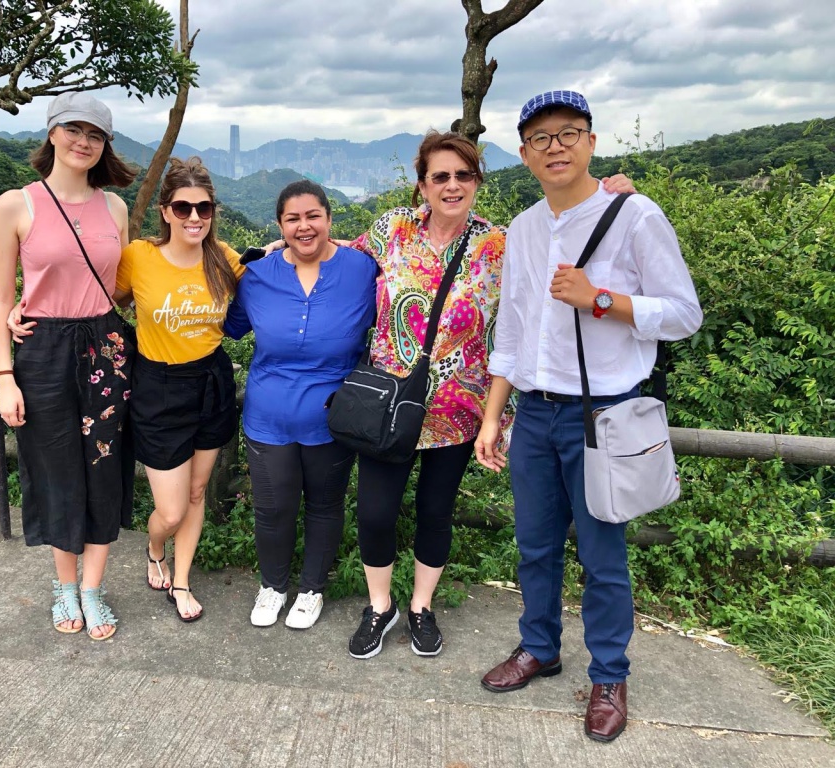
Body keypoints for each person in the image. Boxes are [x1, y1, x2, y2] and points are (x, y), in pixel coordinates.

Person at [340, 131, 637, 661]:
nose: (452, 186)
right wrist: (290, 244)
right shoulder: (392, 229)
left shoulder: (500, 243)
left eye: (463, 175)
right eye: (440, 177)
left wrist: (610, 198)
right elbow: (346, 261)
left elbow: (549, 272)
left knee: (436, 511)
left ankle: (421, 608)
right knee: (376, 511)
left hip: (460, 409)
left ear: (477, 180)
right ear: (423, 186)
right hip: (387, 406)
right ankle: (380, 605)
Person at [474, 91, 702, 742]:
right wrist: (495, 417)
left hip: (605, 415)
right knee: (535, 546)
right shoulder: (522, 229)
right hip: (535, 415)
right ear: (523, 155)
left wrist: (601, 299)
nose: (555, 146)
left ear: (591, 142)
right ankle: (538, 648)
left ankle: (609, 674)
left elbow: (685, 314)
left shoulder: (635, 216)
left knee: (603, 557)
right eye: (540, 138)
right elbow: (511, 332)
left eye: (568, 133)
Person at [0, 92, 135, 641]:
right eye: (74, 130)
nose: (84, 142)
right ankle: (63, 585)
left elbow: (122, 286)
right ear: (51, 133)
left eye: (96, 135)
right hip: (43, 349)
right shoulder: (16, 204)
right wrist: (6, 376)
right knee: (54, 468)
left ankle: (94, 588)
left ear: (104, 147)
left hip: (104, 345)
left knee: (104, 464)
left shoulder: (114, 207)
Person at [225, 180, 377, 630]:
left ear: (330, 219)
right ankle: (272, 586)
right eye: (293, 218)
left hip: (333, 419)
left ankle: (311, 589)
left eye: (313, 216)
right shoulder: (257, 275)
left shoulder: (363, 270)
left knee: (325, 505)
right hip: (267, 417)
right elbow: (227, 326)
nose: (304, 226)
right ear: (280, 225)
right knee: (272, 508)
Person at [117, 157, 245, 623]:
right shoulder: (139, 257)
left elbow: (280, 278)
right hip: (158, 386)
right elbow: (95, 301)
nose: (195, 217)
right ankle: (155, 549)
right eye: (184, 207)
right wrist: (23, 309)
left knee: (196, 494)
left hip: (211, 382)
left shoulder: (225, 259)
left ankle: (182, 579)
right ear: (166, 211)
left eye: (204, 208)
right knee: (169, 512)